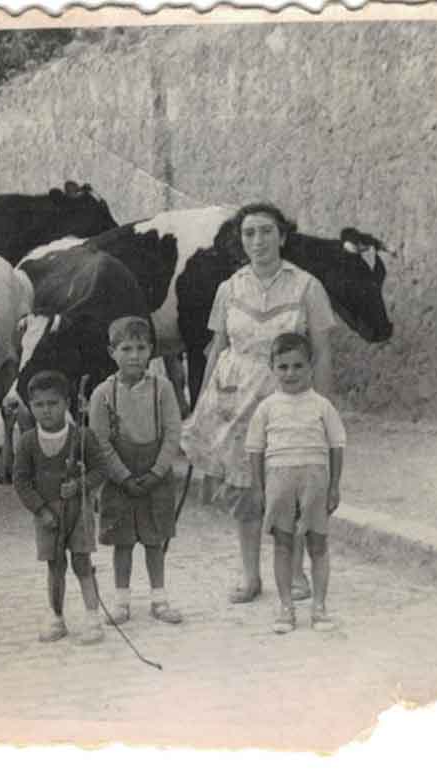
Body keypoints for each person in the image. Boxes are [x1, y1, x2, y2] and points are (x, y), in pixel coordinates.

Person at [181, 202, 336, 604]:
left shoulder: (308, 287)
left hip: (289, 397)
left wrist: (320, 407)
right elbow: (216, 349)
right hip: (235, 402)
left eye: (266, 231)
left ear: (282, 236)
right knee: (244, 492)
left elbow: (321, 351)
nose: (258, 241)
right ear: (240, 241)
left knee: (290, 485)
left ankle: (295, 571)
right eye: (249, 233)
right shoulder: (228, 289)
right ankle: (250, 576)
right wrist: (201, 405)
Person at [246, 333, 345, 633]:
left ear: (311, 367)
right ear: (272, 367)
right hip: (279, 479)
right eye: (283, 367)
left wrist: (334, 486)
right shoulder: (266, 408)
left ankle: (319, 607)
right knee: (283, 544)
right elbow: (255, 449)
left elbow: (336, 445)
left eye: (298, 366)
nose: (291, 373)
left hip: (314, 479)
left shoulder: (322, 406)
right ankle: (286, 607)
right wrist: (260, 489)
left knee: (318, 543)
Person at [89, 316, 184, 625]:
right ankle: (122, 602)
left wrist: (157, 472)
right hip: (121, 480)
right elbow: (100, 441)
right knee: (123, 541)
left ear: (151, 351)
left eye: (141, 348)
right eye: (126, 348)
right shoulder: (103, 394)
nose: (134, 355)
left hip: (155, 477)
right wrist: (123, 476)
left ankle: (159, 599)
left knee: (155, 539)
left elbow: (172, 433)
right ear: (111, 352)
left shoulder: (163, 388)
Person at [13, 370, 107, 645]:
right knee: (55, 566)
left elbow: (100, 470)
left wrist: (80, 485)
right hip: (47, 517)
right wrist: (40, 510)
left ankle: (93, 618)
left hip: (79, 512)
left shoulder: (83, 436)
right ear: (31, 406)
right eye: (39, 405)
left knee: (82, 562)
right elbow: (21, 481)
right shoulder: (28, 442)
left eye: (53, 403)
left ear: (66, 403)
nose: (47, 411)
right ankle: (56, 617)